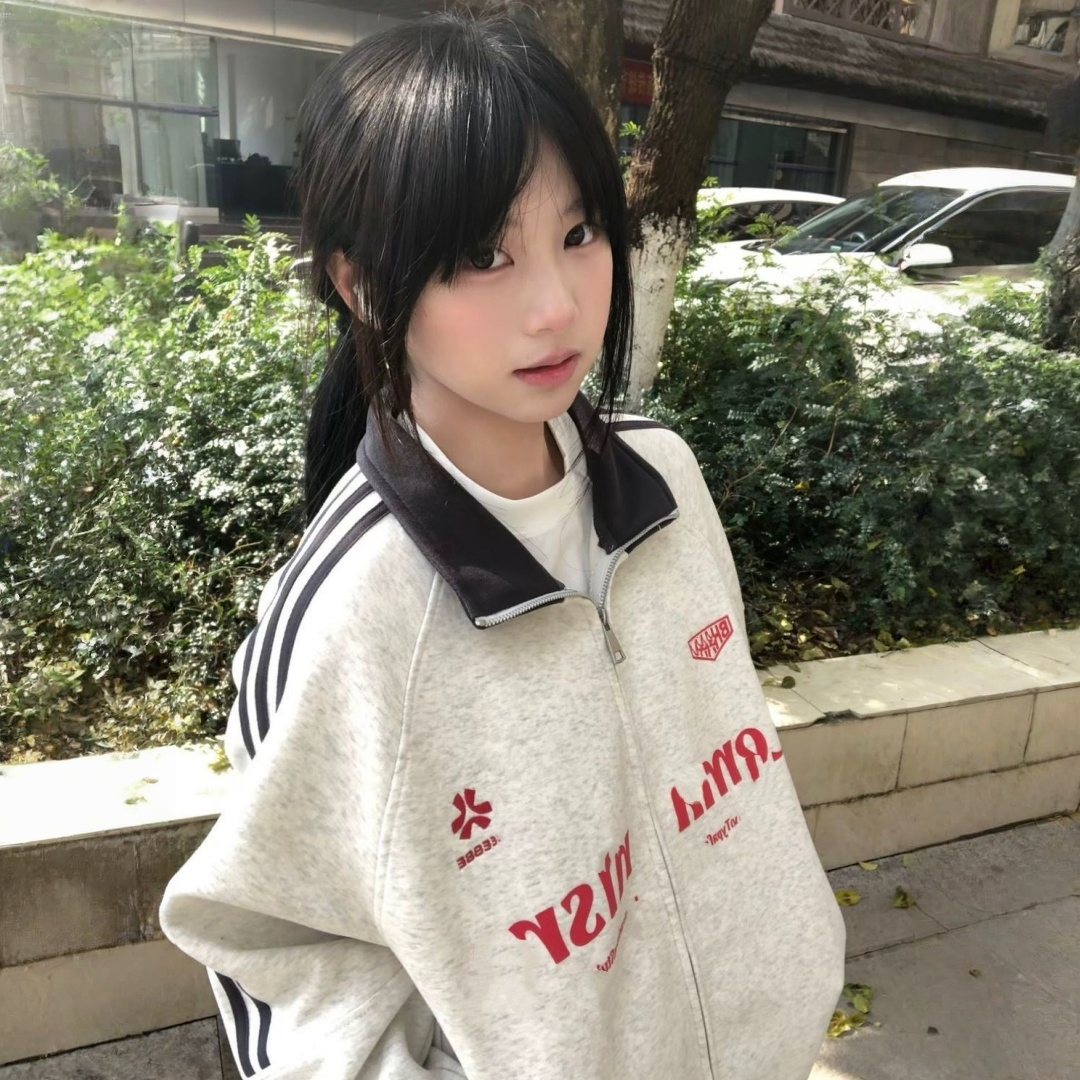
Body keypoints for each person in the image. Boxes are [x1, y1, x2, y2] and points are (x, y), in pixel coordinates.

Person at [160, 12, 845, 1080]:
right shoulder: (359, 606)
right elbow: (277, 958)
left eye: (580, 233)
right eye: (485, 254)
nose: (556, 306)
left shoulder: (667, 482)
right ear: (362, 284)